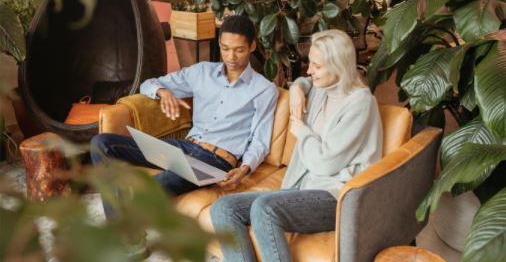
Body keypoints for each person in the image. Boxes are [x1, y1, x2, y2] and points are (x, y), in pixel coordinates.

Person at [210, 29, 383, 262]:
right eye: (309, 63)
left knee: (265, 208)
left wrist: (301, 129)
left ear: (339, 65)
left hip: (337, 196)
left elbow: (324, 164)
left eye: (316, 65)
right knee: (223, 208)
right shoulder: (324, 87)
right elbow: (306, 81)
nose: (310, 70)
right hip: (303, 188)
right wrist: (296, 89)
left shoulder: (360, 103)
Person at [90, 15, 278, 217]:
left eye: (239, 50)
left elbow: (260, 140)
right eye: (225, 48)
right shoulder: (201, 72)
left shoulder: (264, 90)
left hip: (215, 162)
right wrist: (164, 92)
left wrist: (245, 169)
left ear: (251, 46)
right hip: (184, 148)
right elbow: (148, 84)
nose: (231, 57)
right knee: (102, 144)